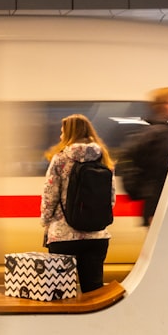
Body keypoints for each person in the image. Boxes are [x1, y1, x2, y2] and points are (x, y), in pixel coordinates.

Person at [40, 113, 115, 293]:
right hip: (97, 236)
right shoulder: (104, 159)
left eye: (62, 132)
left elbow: (50, 195)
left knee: (60, 292)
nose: (60, 136)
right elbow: (111, 198)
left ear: (69, 134)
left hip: (63, 236)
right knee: (94, 292)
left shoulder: (60, 159)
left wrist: (45, 221)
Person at [117, 87, 168, 226]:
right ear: (163, 106)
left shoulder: (162, 130)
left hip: (157, 199)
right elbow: (161, 172)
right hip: (158, 200)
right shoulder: (159, 133)